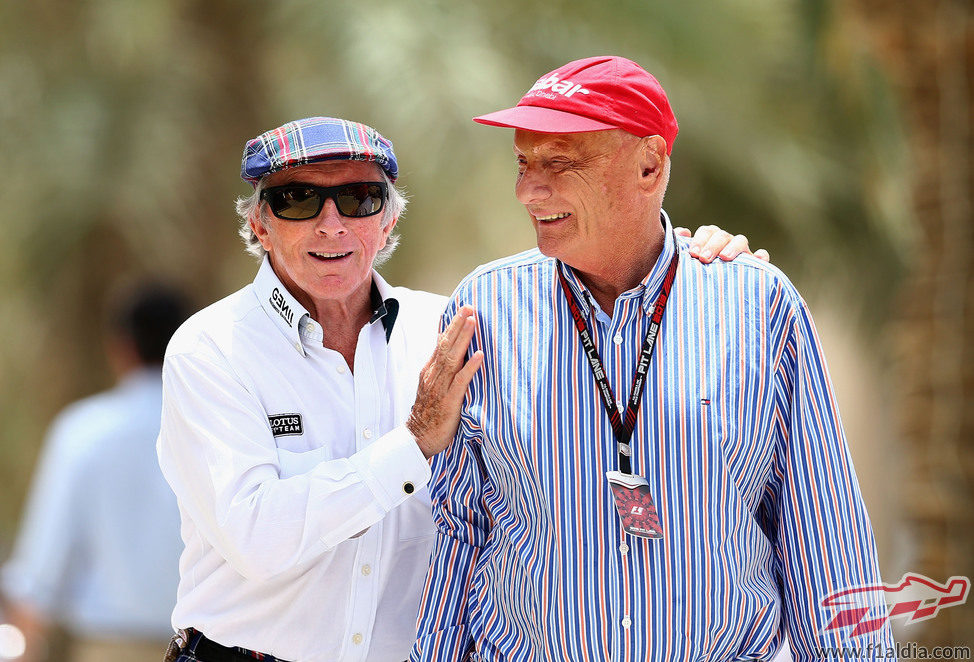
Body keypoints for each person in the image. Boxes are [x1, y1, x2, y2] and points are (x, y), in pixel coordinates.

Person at [155, 117, 761, 662]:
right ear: (260, 223)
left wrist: (689, 262)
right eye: (298, 200)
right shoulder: (212, 350)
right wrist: (415, 444)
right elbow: (258, 538)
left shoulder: (454, 329)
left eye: (360, 198)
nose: (331, 223)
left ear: (389, 218)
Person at [412, 56, 894, 661]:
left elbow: (827, 541)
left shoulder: (758, 306)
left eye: (560, 162)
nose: (528, 190)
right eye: (523, 162)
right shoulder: (483, 310)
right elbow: (457, 530)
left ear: (649, 165)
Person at [1, 284, 191, 662]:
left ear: (122, 347)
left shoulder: (83, 431)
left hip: (108, 649)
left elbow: (41, 572)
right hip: (206, 647)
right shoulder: (217, 428)